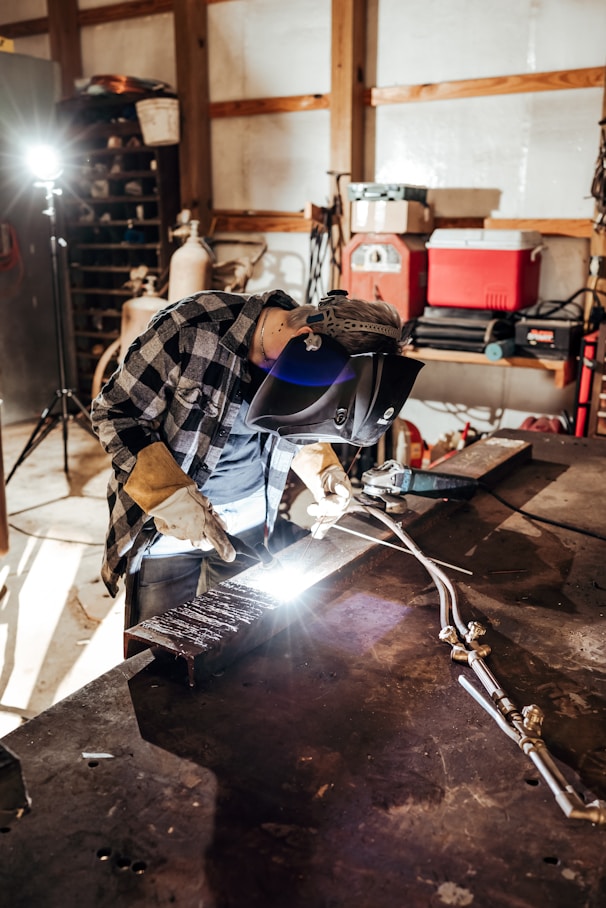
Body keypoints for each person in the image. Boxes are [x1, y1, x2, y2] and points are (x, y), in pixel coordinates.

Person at [90, 288, 419, 648]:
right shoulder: (192, 328)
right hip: (168, 532)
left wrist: (323, 470)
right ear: (305, 341)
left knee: (234, 651)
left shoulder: (306, 357)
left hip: (249, 523)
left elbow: (299, 422)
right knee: (159, 657)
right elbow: (115, 412)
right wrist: (168, 495)